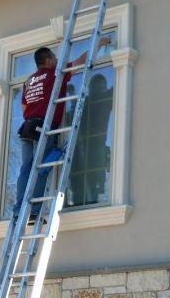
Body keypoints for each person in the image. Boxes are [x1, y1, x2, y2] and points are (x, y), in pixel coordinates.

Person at [13, 36, 111, 220]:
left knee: (25, 169)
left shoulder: (29, 81)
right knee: (40, 168)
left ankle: (19, 210)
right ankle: (34, 211)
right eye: (55, 58)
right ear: (48, 60)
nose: (58, 60)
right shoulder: (54, 74)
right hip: (42, 128)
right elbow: (80, 63)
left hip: (26, 128)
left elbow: (24, 108)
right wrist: (98, 44)